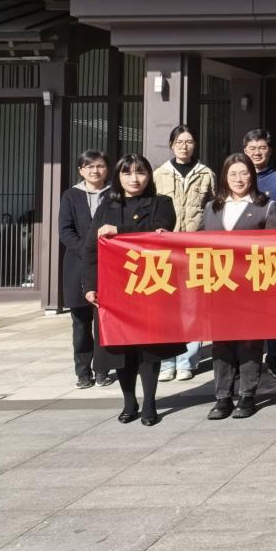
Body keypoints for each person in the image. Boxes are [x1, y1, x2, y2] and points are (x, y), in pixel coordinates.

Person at [82, 154, 182, 426]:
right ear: (118, 177)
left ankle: (150, 403)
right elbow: (91, 248)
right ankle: (129, 402)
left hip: (149, 286)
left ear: (149, 176)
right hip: (113, 289)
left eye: (140, 172)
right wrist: (89, 286)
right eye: (127, 173)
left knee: (149, 349)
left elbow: (159, 231)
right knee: (120, 348)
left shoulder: (161, 203)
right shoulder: (106, 206)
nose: (134, 179)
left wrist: (119, 230)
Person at [201, 153, 276, 420]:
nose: (239, 179)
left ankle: (247, 395)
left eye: (244, 173)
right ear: (224, 177)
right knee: (220, 343)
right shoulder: (212, 207)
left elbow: (273, 250)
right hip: (219, 286)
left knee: (250, 342)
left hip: (251, 287)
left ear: (252, 176)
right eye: (232, 174)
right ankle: (222, 396)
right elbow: (200, 245)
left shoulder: (265, 205)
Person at [153, 124, 214, 382]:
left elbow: (213, 209)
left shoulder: (206, 174)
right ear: (171, 145)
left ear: (195, 145)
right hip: (165, 250)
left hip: (195, 250)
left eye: (189, 141)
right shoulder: (159, 175)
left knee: (192, 307)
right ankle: (167, 361)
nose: (184, 146)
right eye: (179, 142)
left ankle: (187, 361)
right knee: (166, 307)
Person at [243, 128, 276, 379]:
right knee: (243, 307)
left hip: (271, 253)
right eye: (252, 148)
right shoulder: (236, 177)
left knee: (273, 307)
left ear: (270, 151)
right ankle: (243, 357)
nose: (257, 152)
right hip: (240, 255)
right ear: (245, 151)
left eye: (262, 148)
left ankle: (274, 355)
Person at [59, 150, 113, 389]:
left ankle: (102, 369)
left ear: (107, 169)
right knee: (80, 322)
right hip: (77, 265)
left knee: (103, 320)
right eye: (89, 167)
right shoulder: (71, 195)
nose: (95, 171)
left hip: (109, 265)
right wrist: (88, 250)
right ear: (81, 170)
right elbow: (65, 230)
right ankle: (82, 372)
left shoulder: (114, 194)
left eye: (100, 166)